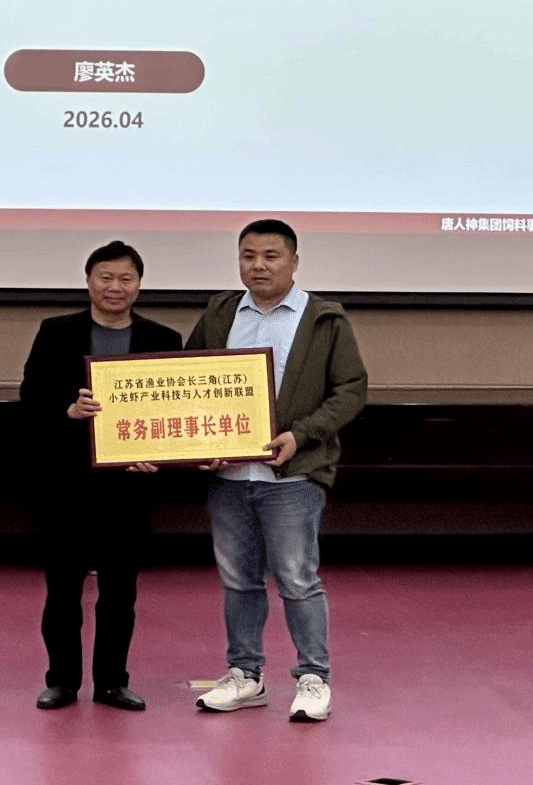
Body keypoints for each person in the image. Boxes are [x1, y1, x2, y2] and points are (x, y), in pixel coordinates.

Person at [185, 219, 367, 722]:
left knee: (297, 578)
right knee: (238, 581)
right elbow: (189, 378)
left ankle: (313, 677)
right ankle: (245, 675)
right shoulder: (221, 312)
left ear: (294, 261)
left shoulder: (324, 318)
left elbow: (351, 389)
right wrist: (201, 443)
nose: (258, 266)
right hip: (229, 477)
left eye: (270, 256)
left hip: (293, 475)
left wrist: (300, 435)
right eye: (248, 256)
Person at [20, 240, 182, 712]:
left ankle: (112, 681)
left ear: (139, 285)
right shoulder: (56, 332)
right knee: (62, 590)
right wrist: (68, 411)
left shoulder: (163, 339)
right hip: (67, 482)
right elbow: (31, 400)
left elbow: (172, 413)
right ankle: (62, 681)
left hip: (129, 485)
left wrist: (158, 455)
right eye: (105, 277)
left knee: (120, 592)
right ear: (89, 281)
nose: (115, 287)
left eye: (125, 278)